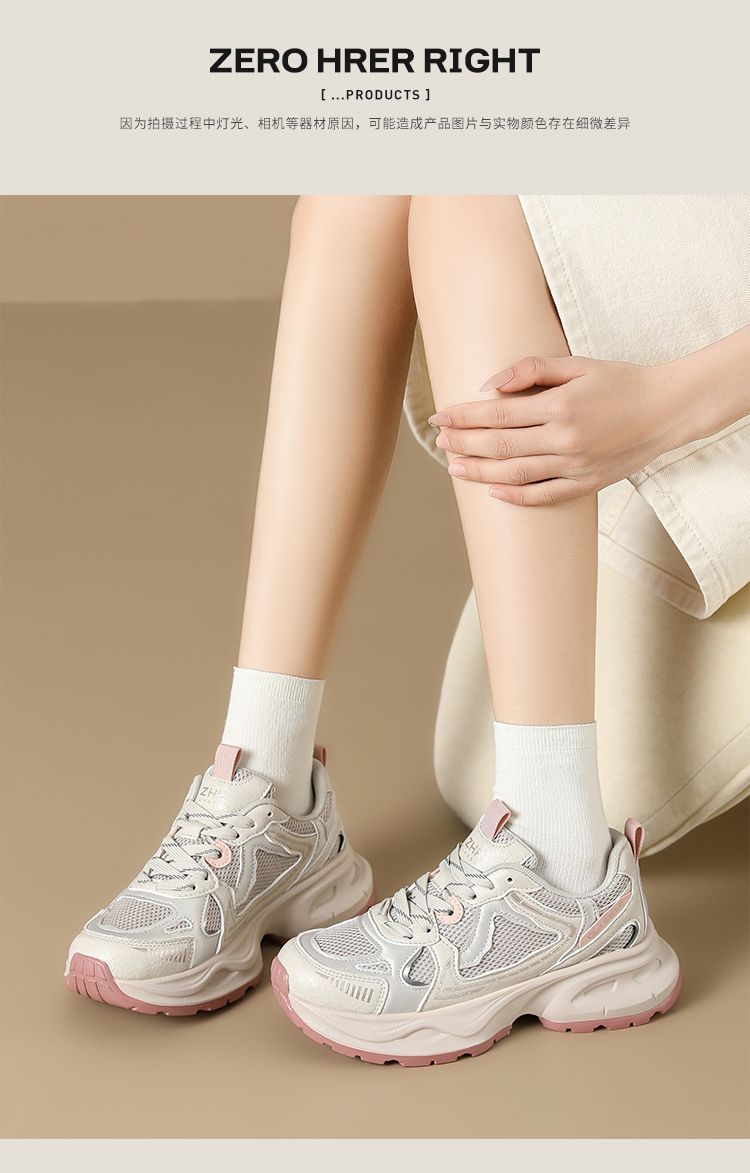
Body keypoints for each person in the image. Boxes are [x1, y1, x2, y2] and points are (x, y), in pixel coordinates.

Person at [64, 196, 750, 1065]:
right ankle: (266, 781)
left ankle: (562, 864)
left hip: (706, 391)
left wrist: (659, 407)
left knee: (469, 198)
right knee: (368, 177)